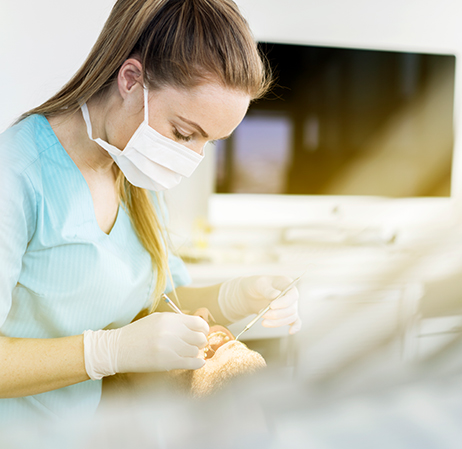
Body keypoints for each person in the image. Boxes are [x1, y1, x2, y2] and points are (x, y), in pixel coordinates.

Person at [0, 0, 301, 422]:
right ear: (130, 79)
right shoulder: (16, 174)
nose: (191, 157)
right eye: (184, 133)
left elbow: (158, 303)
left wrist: (237, 296)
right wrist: (108, 352)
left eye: (208, 143)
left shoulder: (133, 169)